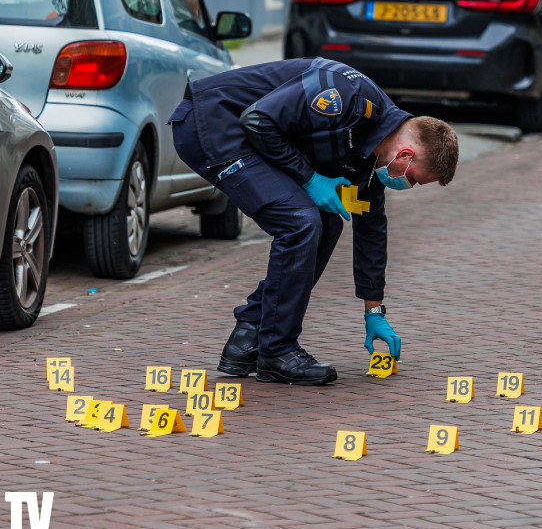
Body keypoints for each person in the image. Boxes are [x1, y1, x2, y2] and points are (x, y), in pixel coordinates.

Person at [169, 57, 459, 386]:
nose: (409, 186)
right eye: (415, 180)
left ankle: (247, 339)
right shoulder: (346, 96)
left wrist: (374, 310)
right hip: (214, 124)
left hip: (246, 137)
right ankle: (277, 352)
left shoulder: (373, 155)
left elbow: (371, 228)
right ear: (405, 156)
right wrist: (309, 179)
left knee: (325, 222)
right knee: (300, 221)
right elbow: (258, 120)